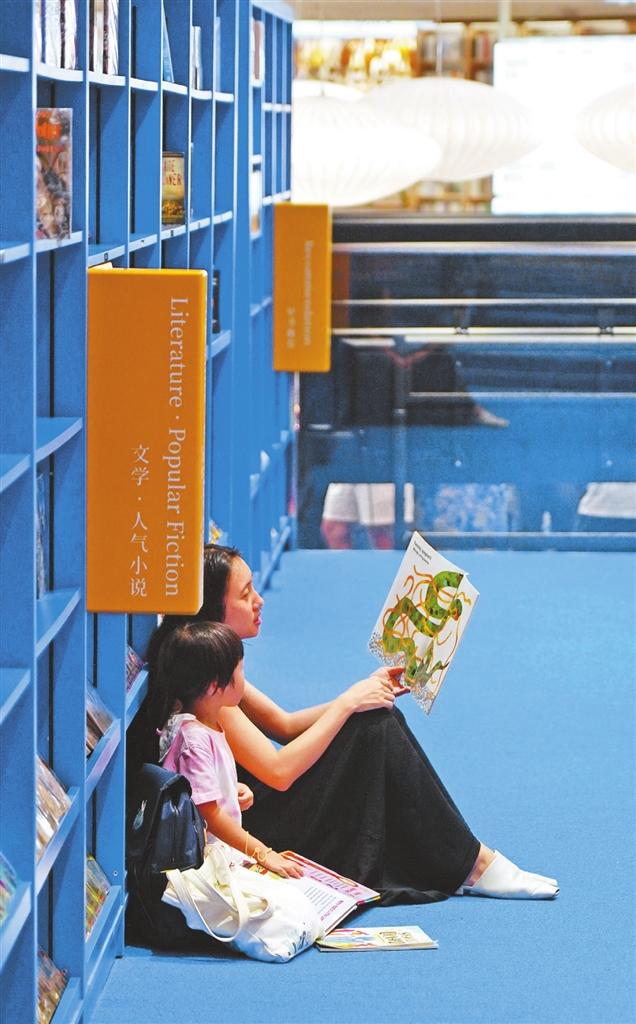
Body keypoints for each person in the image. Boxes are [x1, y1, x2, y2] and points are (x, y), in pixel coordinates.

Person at [142, 544, 558, 905]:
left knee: (375, 715)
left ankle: (470, 859)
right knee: (375, 728)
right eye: (245, 593)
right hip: (248, 827)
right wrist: (348, 704)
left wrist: (365, 693)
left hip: (248, 801)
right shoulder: (209, 692)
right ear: (213, 611)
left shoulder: (210, 668)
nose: (259, 601)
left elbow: (284, 725)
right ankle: (473, 864)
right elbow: (279, 772)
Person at [150, 620, 303, 878]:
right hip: (207, 867)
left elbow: (198, 788)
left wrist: (230, 789)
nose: (244, 677)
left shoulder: (203, 725)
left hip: (219, 858)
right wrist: (263, 854)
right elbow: (208, 813)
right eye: (240, 669)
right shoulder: (194, 739)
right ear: (214, 686)